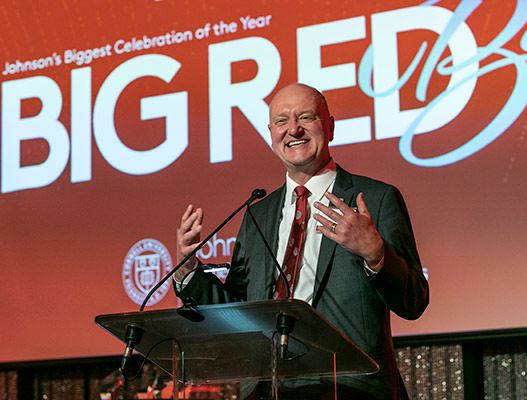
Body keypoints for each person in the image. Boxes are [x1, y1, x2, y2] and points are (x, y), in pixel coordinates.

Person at [174, 83, 429, 399]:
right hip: (268, 389)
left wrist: (375, 253)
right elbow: (239, 310)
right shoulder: (257, 213)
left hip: (350, 388)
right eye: (281, 121)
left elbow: (414, 301)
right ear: (271, 134)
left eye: (306, 117)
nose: (293, 128)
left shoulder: (376, 199)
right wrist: (188, 271)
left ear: (330, 127)